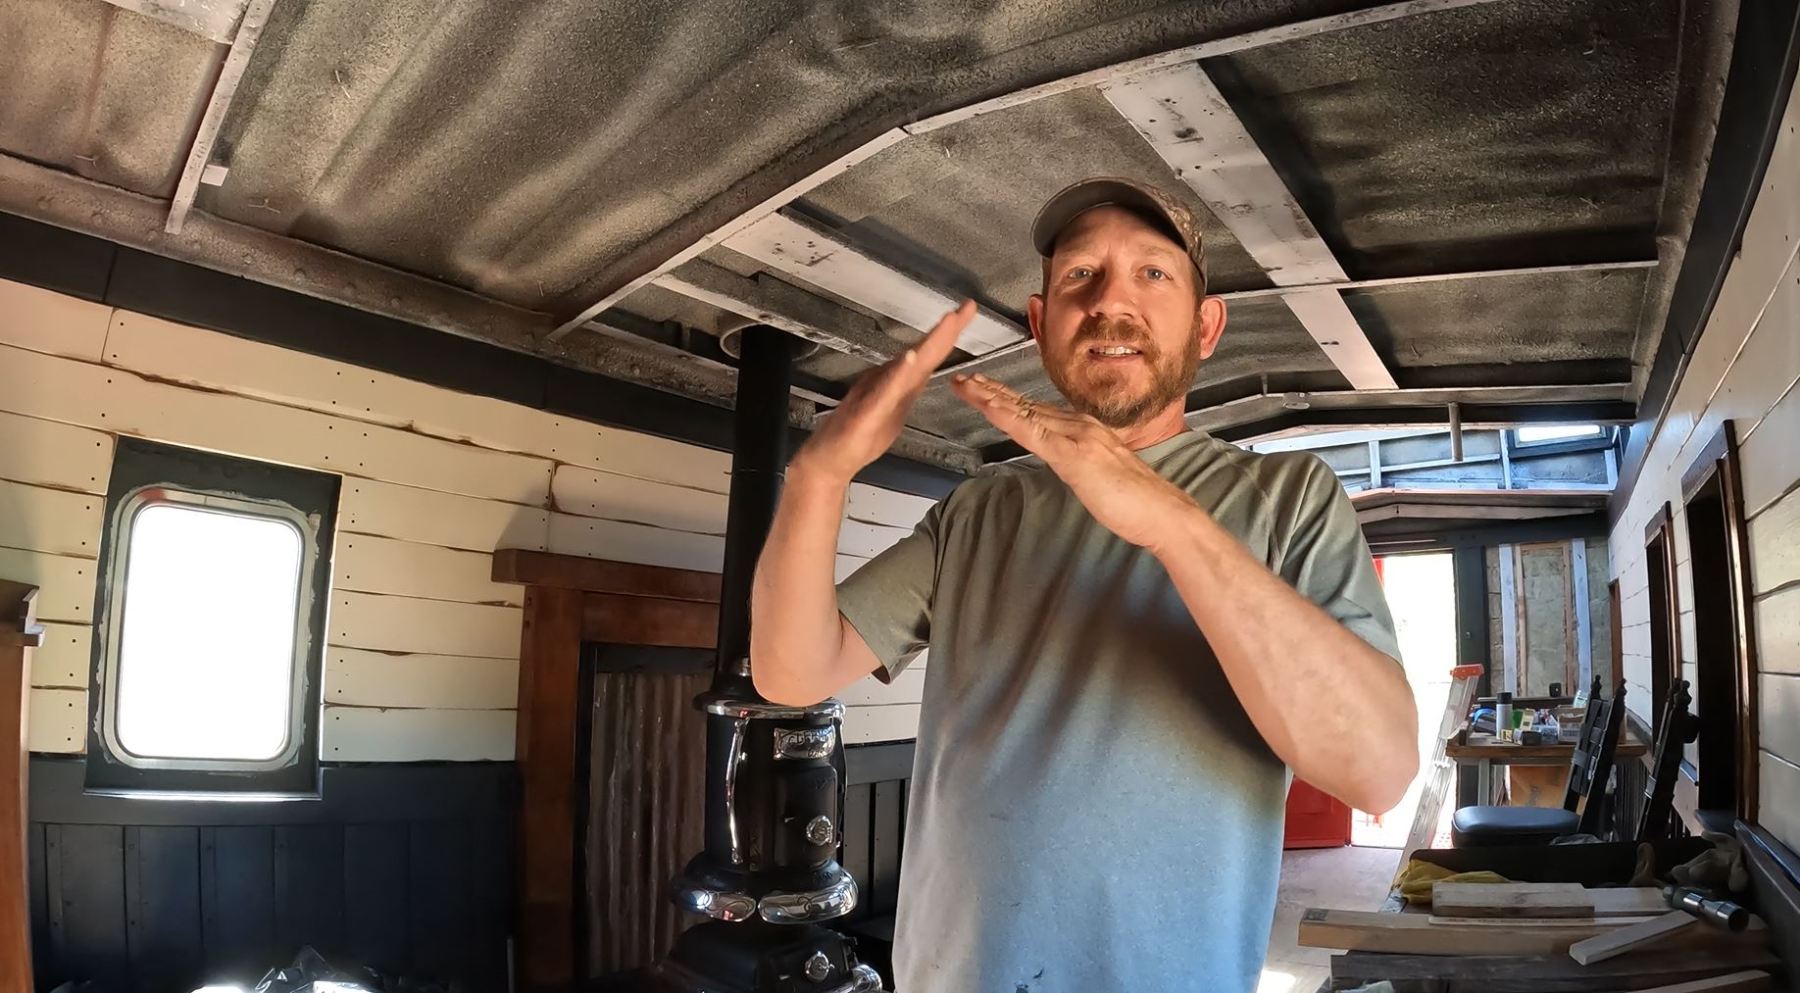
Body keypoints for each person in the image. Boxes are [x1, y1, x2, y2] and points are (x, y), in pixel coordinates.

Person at [749, 177, 1418, 993]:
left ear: (1206, 327)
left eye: (1152, 273)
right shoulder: (980, 507)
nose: (1109, 301)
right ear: (1041, 324)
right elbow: (790, 672)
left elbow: (1377, 770)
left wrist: (1166, 519)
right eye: (1080, 275)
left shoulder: (1290, 498)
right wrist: (819, 476)